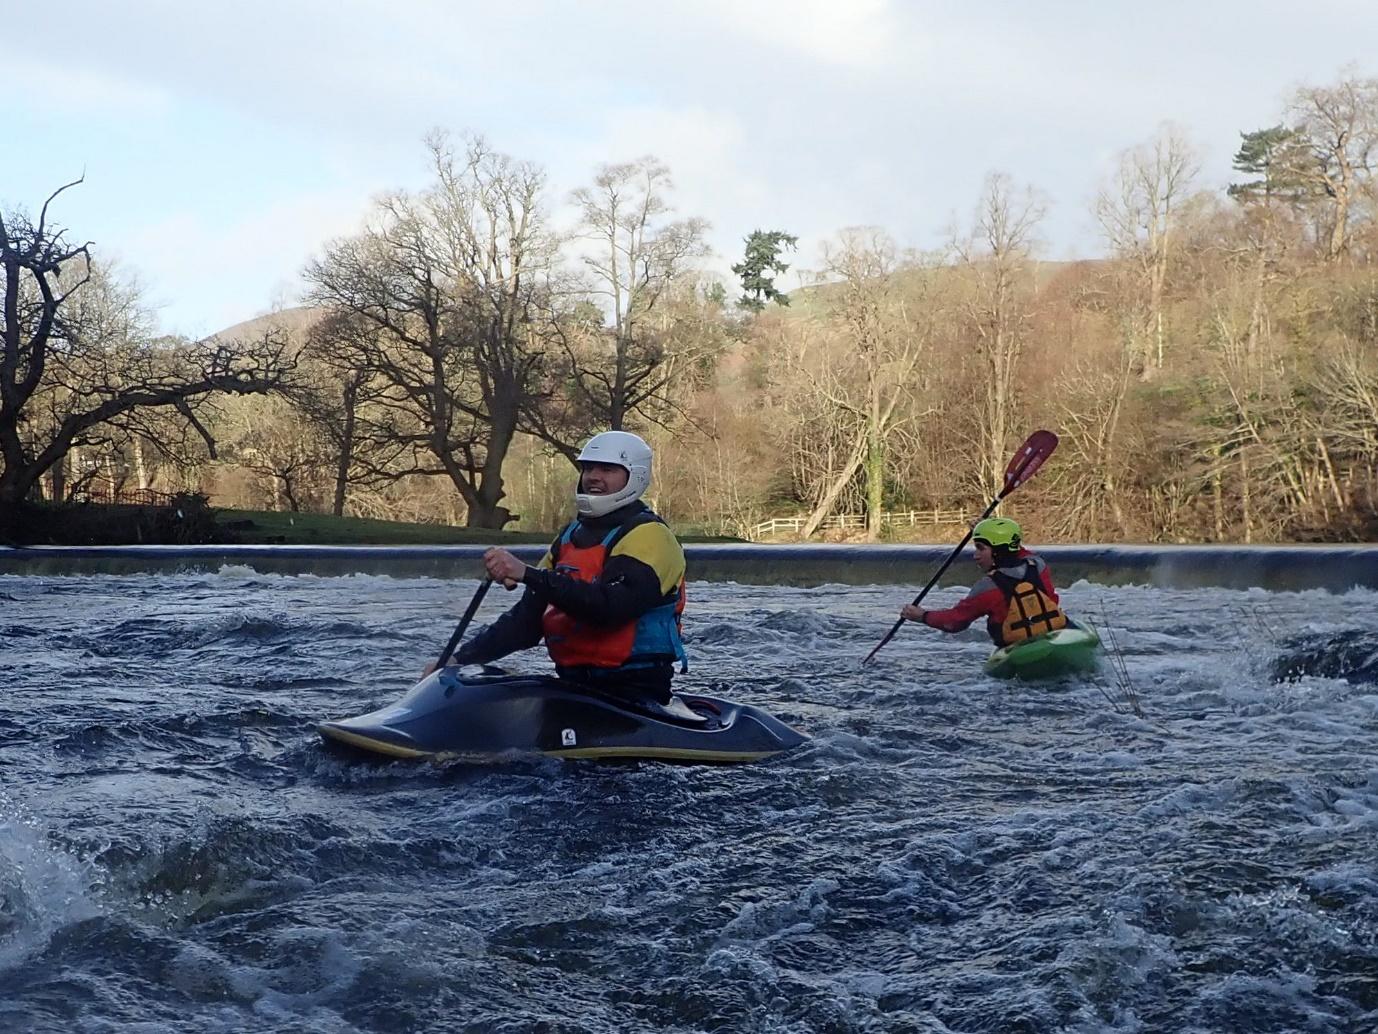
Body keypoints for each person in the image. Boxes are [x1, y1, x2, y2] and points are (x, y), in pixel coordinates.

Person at [433, 430, 688, 706]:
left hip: (635, 691)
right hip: (575, 685)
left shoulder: (650, 536)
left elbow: (609, 608)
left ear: (634, 477)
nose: (593, 477)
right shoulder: (570, 537)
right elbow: (526, 623)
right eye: (588, 468)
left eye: (607, 469)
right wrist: (457, 661)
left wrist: (528, 574)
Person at [900, 517, 1067, 647]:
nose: (975, 555)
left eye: (981, 548)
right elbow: (1018, 550)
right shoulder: (1037, 564)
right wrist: (988, 530)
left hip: (1017, 645)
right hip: (1056, 632)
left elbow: (955, 622)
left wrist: (922, 616)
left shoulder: (987, 587)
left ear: (998, 551)